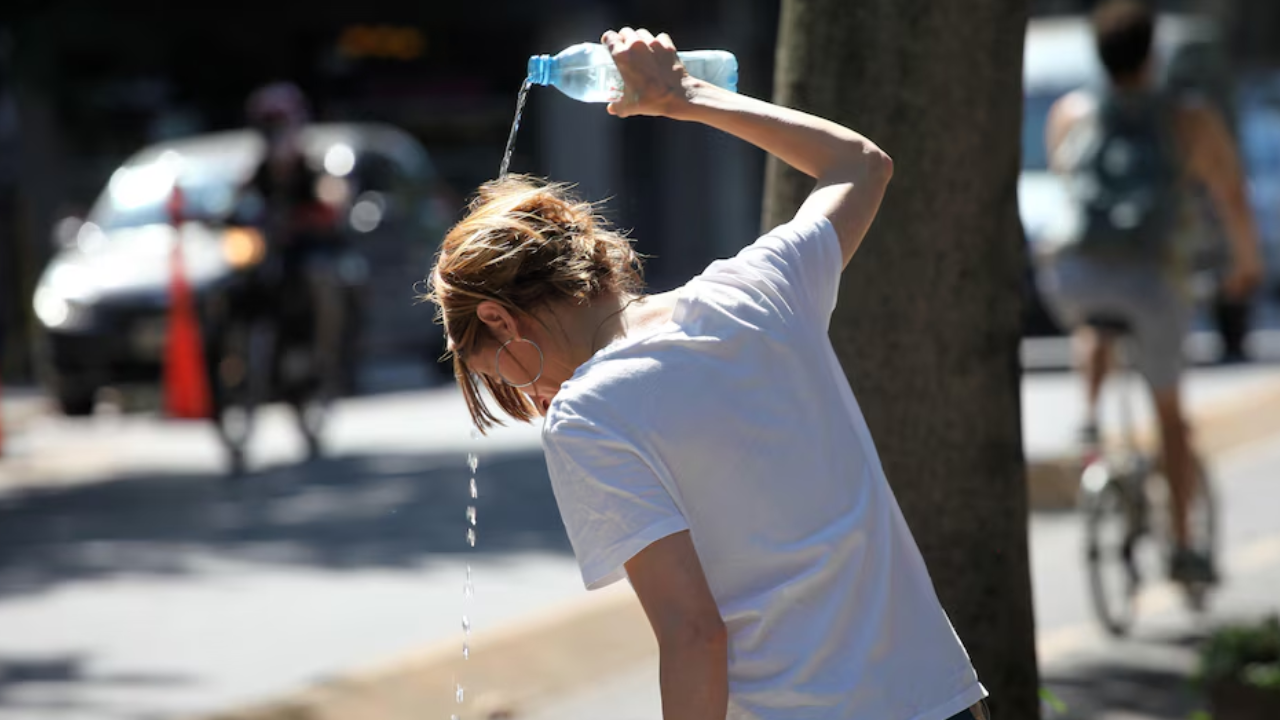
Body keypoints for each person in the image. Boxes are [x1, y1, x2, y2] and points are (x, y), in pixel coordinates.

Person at [428, 27, 989, 720]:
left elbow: (694, 636)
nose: (534, 399)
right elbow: (860, 163)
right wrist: (689, 97)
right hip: (943, 697)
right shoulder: (759, 287)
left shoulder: (589, 415)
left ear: (502, 320)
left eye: (506, 378)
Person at [1039, 1, 1264, 582]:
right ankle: (1184, 546)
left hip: (1073, 276)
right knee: (1170, 418)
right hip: (1152, 278)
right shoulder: (1189, 118)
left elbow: (1070, 190)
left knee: (1093, 323)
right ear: (1153, 53)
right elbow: (1232, 198)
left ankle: (1090, 424)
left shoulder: (1071, 112)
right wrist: (1244, 266)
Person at [240, 82, 348, 397]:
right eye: (267, 126)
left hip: (307, 251)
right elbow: (234, 202)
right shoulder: (256, 171)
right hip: (267, 253)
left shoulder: (310, 165)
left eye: (279, 124)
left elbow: (333, 195)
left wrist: (321, 210)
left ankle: (322, 357)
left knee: (321, 278)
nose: (274, 134)